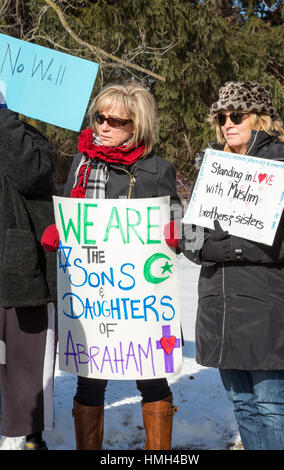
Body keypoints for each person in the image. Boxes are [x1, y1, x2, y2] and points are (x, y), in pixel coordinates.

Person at [41, 81, 181, 450]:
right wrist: (60, 229)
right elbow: (74, 209)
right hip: (94, 294)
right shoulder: (82, 163)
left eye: (114, 121)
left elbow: (180, 224)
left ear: (136, 126)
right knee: (89, 380)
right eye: (99, 117)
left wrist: (175, 231)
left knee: (152, 378)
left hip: (141, 299)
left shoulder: (157, 169)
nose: (102, 126)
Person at [179, 81, 284, 450]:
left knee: (272, 403)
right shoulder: (213, 167)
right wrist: (205, 248)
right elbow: (189, 236)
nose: (227, 123)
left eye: (237, 115)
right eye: (221, 117)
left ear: (259, 118)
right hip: (219, 305)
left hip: (268, 305)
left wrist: (232, 248)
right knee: (243, 405)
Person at [0, 92, 57, 449]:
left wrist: (2, 119)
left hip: (15, 277)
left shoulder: (24, 136)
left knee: (22, 375)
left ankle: (22, 439)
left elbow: (32, 172)